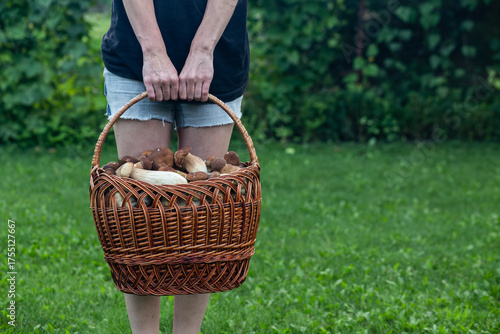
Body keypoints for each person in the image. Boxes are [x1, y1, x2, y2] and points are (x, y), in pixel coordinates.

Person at [100, 0, 250, 333]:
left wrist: (203, 49)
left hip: (218, 56)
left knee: (203, 215)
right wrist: (152, 51)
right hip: (135, 52)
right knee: (140, 214)